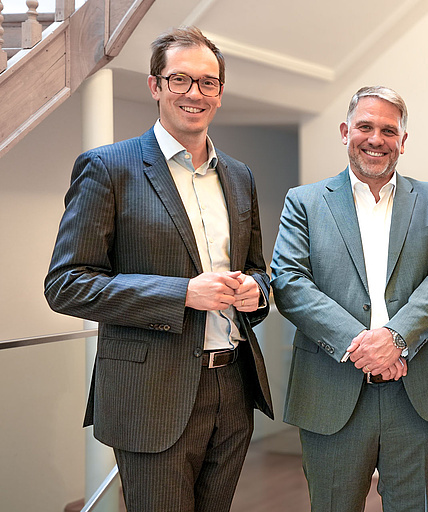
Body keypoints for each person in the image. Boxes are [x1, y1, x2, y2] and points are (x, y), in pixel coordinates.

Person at [44, 26, 272, 511]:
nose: (195, 93)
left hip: (233, 388)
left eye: (208, 82)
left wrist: (257, 291)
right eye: (180, 80)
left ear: (220, 93)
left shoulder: (239, 175)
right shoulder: (108, 168)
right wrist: (182, 293)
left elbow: (257, 269)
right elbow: (66, 284)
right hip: (151, 398)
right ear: (155, 86)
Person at [271, 85, 428, 512]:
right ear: (345, 132)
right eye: (365, 127)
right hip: (330, 386)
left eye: (388, 131)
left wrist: (395, 339)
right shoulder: (304, 202)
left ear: (403, 141)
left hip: (414, 389)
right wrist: (363, 346)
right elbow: (288, 281)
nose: (376, 139)